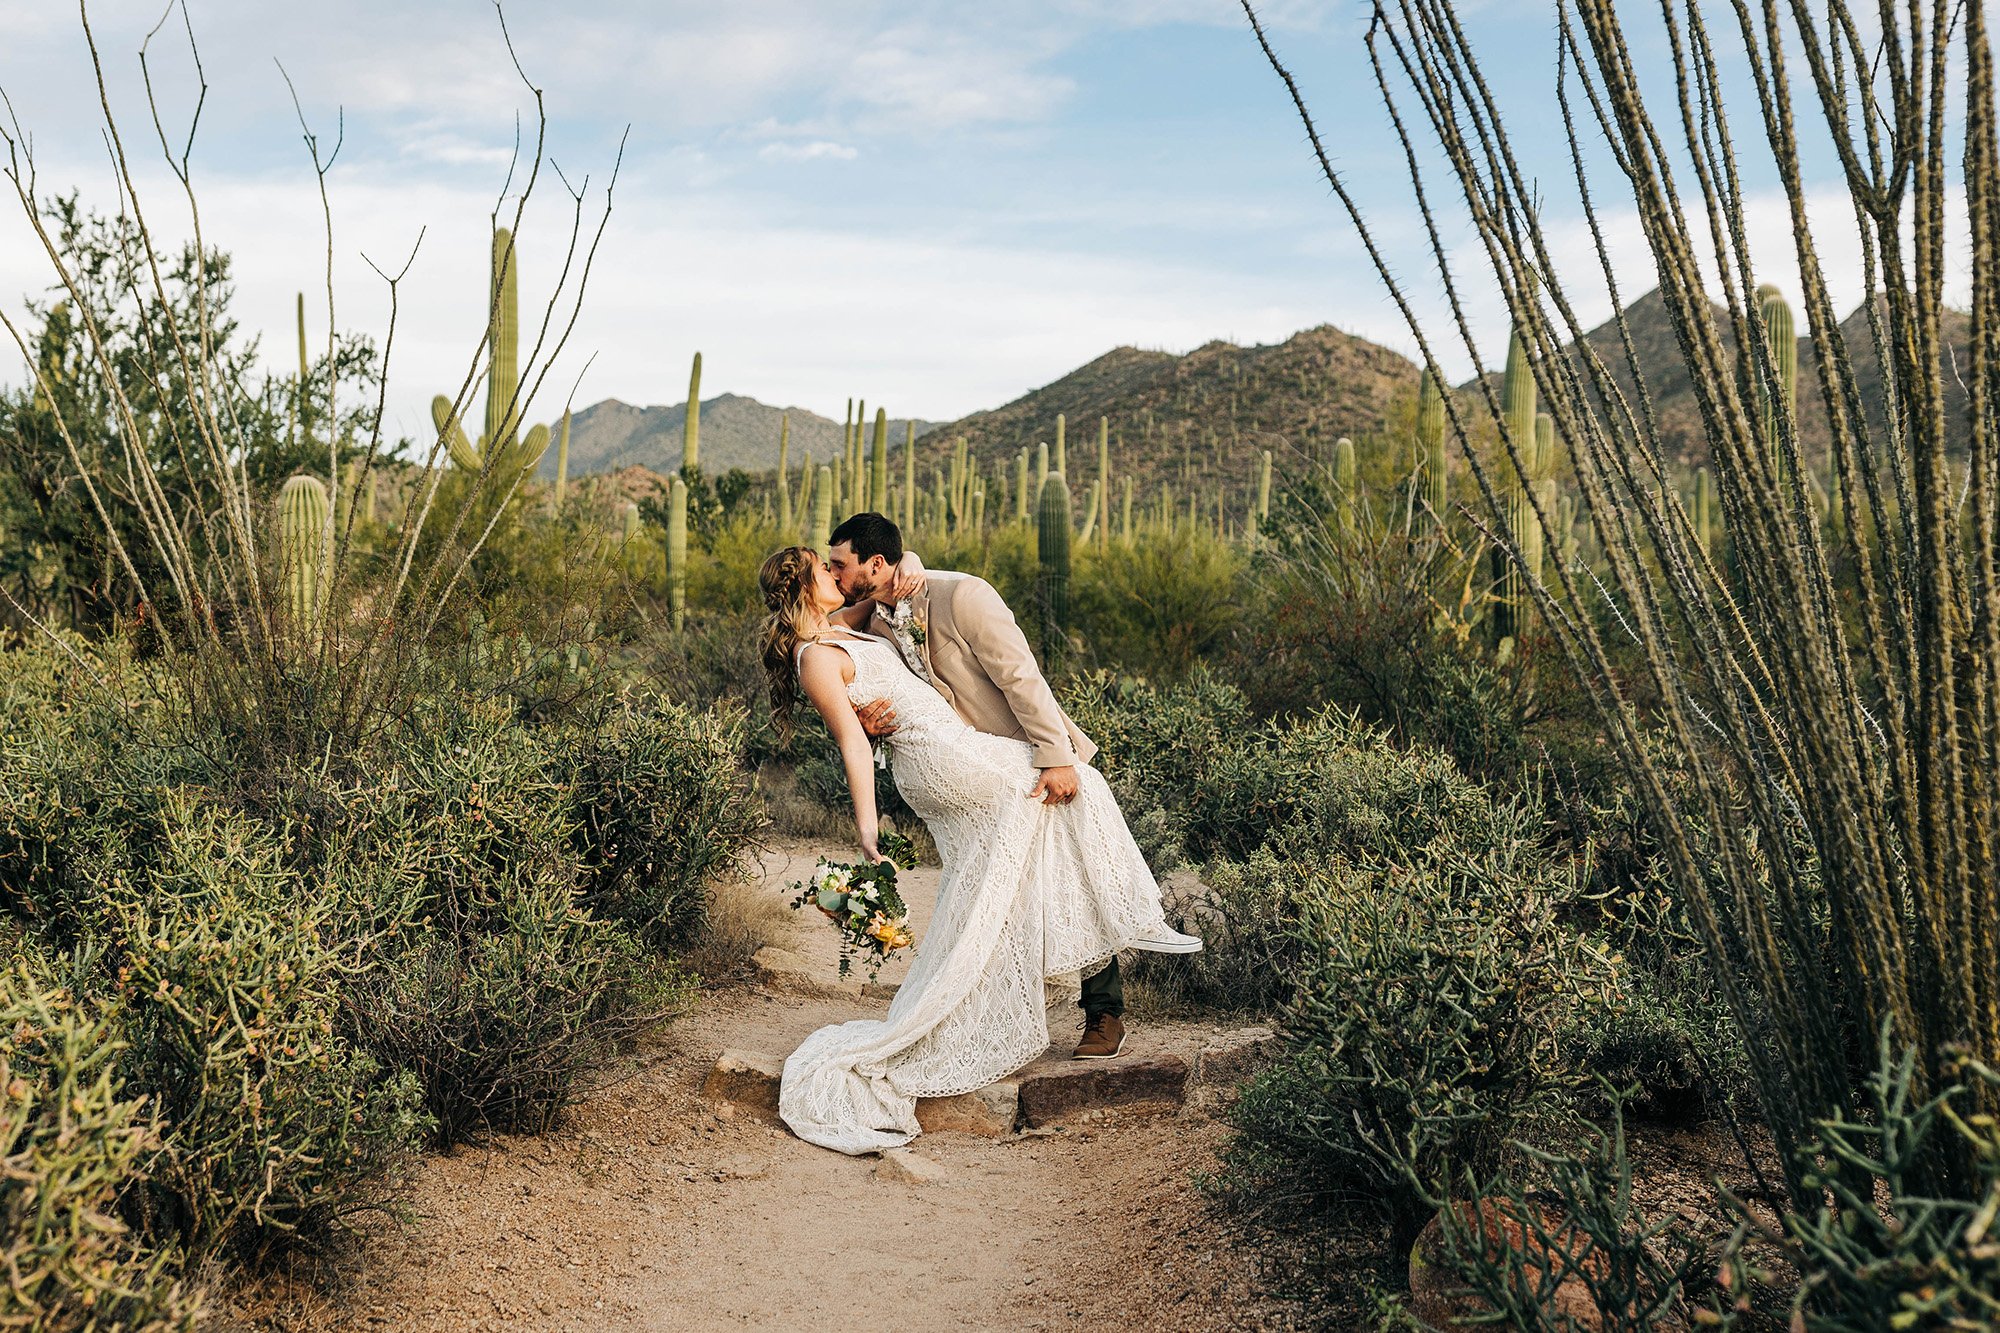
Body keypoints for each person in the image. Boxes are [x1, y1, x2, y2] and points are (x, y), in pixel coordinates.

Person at [758, 530, 1198, 1156]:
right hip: (950, 762)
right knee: (1075, 799)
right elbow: (851, 738)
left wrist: (912, 566)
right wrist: (866, 825)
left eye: (842, 563)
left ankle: (1066, 991)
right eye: (825, 569)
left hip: (970, 746)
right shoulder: (823, 649)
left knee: (1026, 855)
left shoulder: (889, 610)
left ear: (875, 565)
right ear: (807, 586)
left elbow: (1019, 676)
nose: (836, 573)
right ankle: (1102, 966)